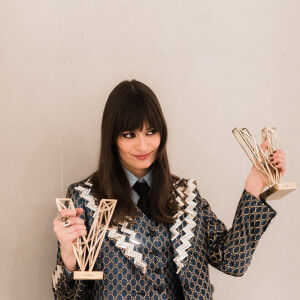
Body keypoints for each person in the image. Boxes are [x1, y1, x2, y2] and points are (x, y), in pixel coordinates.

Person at [52, 80, 286, 300]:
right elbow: (64, 297)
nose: (143, 145)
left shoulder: (187, 196)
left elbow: (233, 260)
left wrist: (255, 184)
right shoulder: (85, 198)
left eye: (151, 132)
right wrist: (68, 259)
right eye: (129, 135)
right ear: (112, 138)